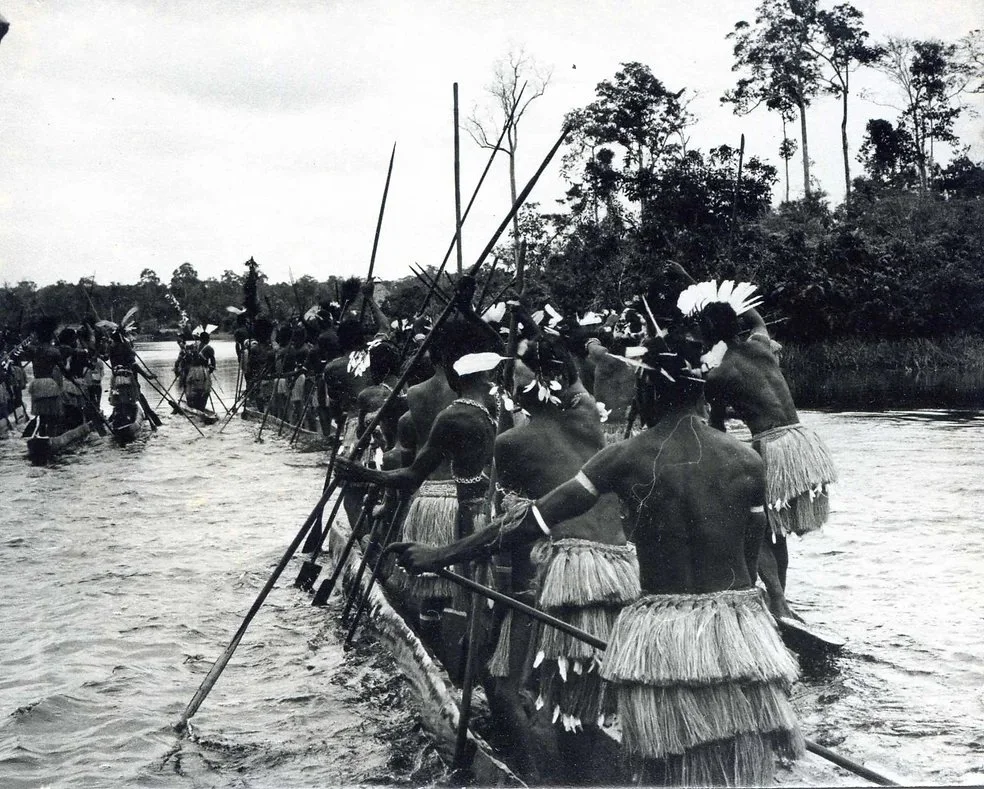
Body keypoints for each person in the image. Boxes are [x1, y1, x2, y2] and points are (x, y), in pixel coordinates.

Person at [392, 321, 804, 787]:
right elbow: (756, 553)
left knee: (667, 756)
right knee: (740, 756)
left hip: (666, 636)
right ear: (702, 393)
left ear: (647, 390)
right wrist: (765, 602)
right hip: (743, 633)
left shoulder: (623, 458)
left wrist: (441, 555)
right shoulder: (750, 461)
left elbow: (528, 523)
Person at [670, 265, 837, 621]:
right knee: (776, 530)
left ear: (707, 332)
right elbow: (754, 318)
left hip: (773, 447)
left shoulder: (720, 373)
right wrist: (709, 291)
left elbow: (718, 428)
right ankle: (782, 600)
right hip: (803, 444)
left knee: (754, 524)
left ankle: (776, 600)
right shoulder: (761, 345)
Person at [26, 316, 65, 436]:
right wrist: (73, 380)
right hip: (50, 384)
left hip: (36, 384)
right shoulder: (54, 351)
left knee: (42, 415)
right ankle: (51, 438)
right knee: (53, 415)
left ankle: (41, 436)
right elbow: (64, 369)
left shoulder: (33, 350)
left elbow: (28, 350)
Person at [185, 330, 216, 411]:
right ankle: (201, 409)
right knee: (204, 391)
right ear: (207, 339)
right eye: (208, 338)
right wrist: (208, 373)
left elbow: (186, 358)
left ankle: (193, 408)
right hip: (202, 371)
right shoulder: (209, 348)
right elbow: (213, 364)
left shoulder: (193, 346)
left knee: (192, 391)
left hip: (191, 371)